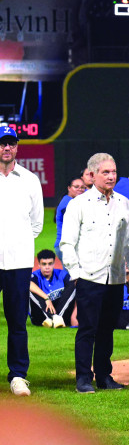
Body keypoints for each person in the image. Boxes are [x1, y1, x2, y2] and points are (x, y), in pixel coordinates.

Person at [61, 153, 129, 394]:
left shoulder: (124, 203)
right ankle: (83, 378)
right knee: (87, 329)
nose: (111, 176)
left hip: (115, 278)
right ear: (92, 175)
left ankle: (104, 376)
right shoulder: (78, 204)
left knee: (107, 329)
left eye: (114, 172)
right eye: (106, 172)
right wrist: (76, 274)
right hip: (89, 278)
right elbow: (67, 244)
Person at [0, 125, 43, 396]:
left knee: (17, 320)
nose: (6, 148)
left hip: (17, 261)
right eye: (2, 143)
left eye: (11, 143)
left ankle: (17, 375)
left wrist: (17, 242)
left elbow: (37, 223)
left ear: (17, 147)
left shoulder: (29, 179)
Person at [29, 249, 77, 328]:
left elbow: (74, 288)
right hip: (41, 317)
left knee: (74, 284)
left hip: (62, 314)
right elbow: (29, 284)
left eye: (50, 264)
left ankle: (56, 317)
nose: (47, 267)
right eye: (44, 264)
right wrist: (46, 298)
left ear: (54, 263)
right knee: (28, 290)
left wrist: (74, 314)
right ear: (39, 265)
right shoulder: (35, 276)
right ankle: (54, 317)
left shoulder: (61, 274)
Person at [54, 177, 87, 260]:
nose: (80, 189)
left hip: (70, 246)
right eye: (76, 187)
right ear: (69, 188)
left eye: (82, 187)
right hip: (67, 246)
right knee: (72, 272)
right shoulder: (67, 203)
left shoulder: (74, 201)